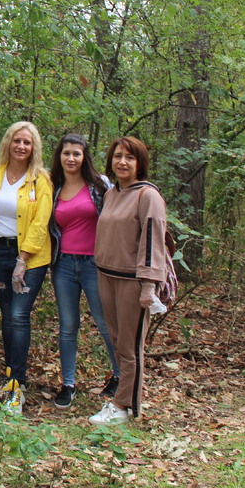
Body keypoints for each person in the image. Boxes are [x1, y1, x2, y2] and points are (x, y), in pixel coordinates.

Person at [89, 136, 170, 425]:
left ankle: (124, 406)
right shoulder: (112, 194)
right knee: (116, 340)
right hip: (106, 276)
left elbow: (153, 239)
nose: (123, 162)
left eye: (130, 158)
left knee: (130, 345)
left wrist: (149, 284)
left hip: (132, 281)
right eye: (118, 156)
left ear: (140, 163)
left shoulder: (147, 196)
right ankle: (120, 402)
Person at [0, 120, 53, 413]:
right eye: (17, 141)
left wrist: (22, 260)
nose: (21, 147)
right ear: (8, 143)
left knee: (19, 315)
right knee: (7, 316)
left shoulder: (40, 179)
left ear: (33, 147)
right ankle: (10, 377)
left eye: (27, 142)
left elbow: (41, 221)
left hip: (30, 257)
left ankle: (17, 385)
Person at [48, 133, 119, 409]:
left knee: (104, 324)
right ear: (60, 156)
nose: (71, 158)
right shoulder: (54, 187)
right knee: (68, 326)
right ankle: (68, 384)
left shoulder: (100, 185)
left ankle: (119, 375)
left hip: (94, 264)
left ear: (84, 157)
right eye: (66, 153)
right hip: (64, 264)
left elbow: (116, 217)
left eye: (76, 154)